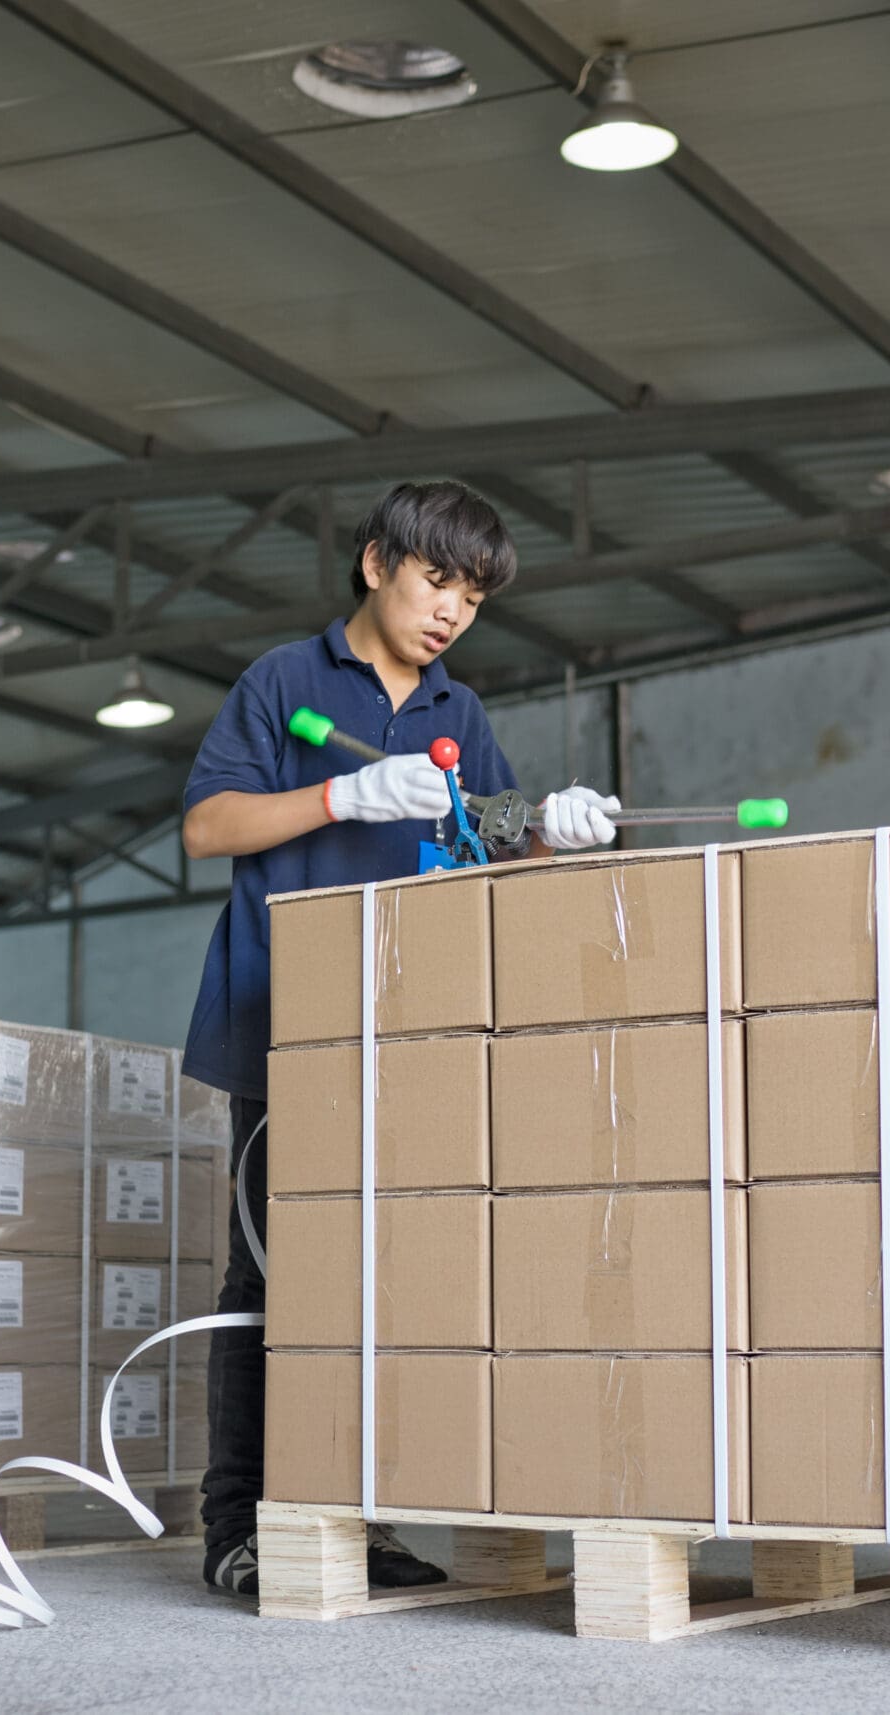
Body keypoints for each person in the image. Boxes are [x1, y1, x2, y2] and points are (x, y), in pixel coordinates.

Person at [177, 480, 620, 1595]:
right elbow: (205, 824)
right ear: (377, 564)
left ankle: (354, 1515)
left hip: (404, 1031)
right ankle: (237, 1526)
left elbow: (491, 832)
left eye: (470, 598)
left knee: (382, 1275)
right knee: (271, 1275)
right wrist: (341, 796)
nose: (449, 612)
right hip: (283, 1022)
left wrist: (549, 830)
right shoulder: (282, 683)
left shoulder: (455, 714)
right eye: (436, 581)